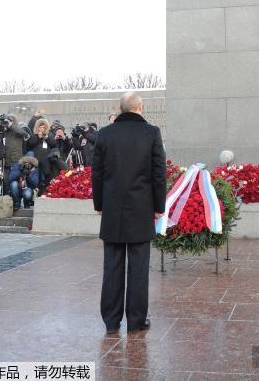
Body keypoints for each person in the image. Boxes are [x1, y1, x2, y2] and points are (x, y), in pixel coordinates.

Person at [92, 91, 167, 334]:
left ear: (121, 109)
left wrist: (99, 205)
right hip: (141, 208)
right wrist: (159, 207)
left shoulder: (104, 135)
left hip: (113, 209)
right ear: (140, 108)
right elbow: (158, 174)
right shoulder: (151, 133)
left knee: (111, 267)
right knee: (139, 268)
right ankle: (136, 320)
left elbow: (98, 174)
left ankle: (111, 321)